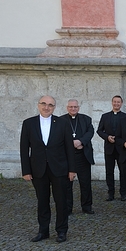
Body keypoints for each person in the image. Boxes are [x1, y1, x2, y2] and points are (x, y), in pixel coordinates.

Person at [20, 95, 76, 243]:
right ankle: (43, 231)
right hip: (38, 169)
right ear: (38, 105)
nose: (46, 107)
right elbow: (24, 148)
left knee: (61, 201)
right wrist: (26, 170)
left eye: (50, 105)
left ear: (54, 107)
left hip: (59, 168)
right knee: (42, 201)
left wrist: (72, 170)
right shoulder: (28, 123)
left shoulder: (63, 123)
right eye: (44, 104)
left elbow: (69, 148)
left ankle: (62, 231)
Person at [60, 99, 95, 215]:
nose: (73, 109)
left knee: (85, 183)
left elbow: (90, 132)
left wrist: (81, 141)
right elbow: (59, 137)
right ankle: (67, 208)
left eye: (75, 107)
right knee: (67, 184)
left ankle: (87, 206)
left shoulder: (86, 119)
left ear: (78, 108)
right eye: (71, 107)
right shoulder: (61, 120)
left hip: (83, 156)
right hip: (67, 158)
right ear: (67, 108)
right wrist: (72, 144)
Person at [97, 95, 126, 201]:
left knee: (123, 171)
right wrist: (107, 137)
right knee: (109, 172)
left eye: (118, 102)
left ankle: (123, 193)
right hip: (109, 148)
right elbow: (99, 130)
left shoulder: (125, 117)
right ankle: (111, 193)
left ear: (121, 104)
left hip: (121, 149)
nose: (116, 104)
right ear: (112, 103)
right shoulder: (105, 116)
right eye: (115, 102)